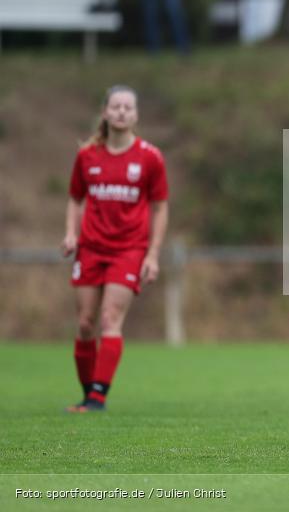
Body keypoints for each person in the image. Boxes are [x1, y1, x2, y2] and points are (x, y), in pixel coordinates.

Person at [62, 85, 169, 412]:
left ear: (136, 115)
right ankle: (87, 394)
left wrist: (152, 254)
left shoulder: (150, 158)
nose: (122, 112)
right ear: (105, 112)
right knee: (85, 323)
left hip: (129, 249)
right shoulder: (87, 156)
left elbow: (160, 206)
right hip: (91, 248)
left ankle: (97, 398)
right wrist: (70, 234)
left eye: (128, 107)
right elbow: (75, 198)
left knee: (110, 318)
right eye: (116, 106)